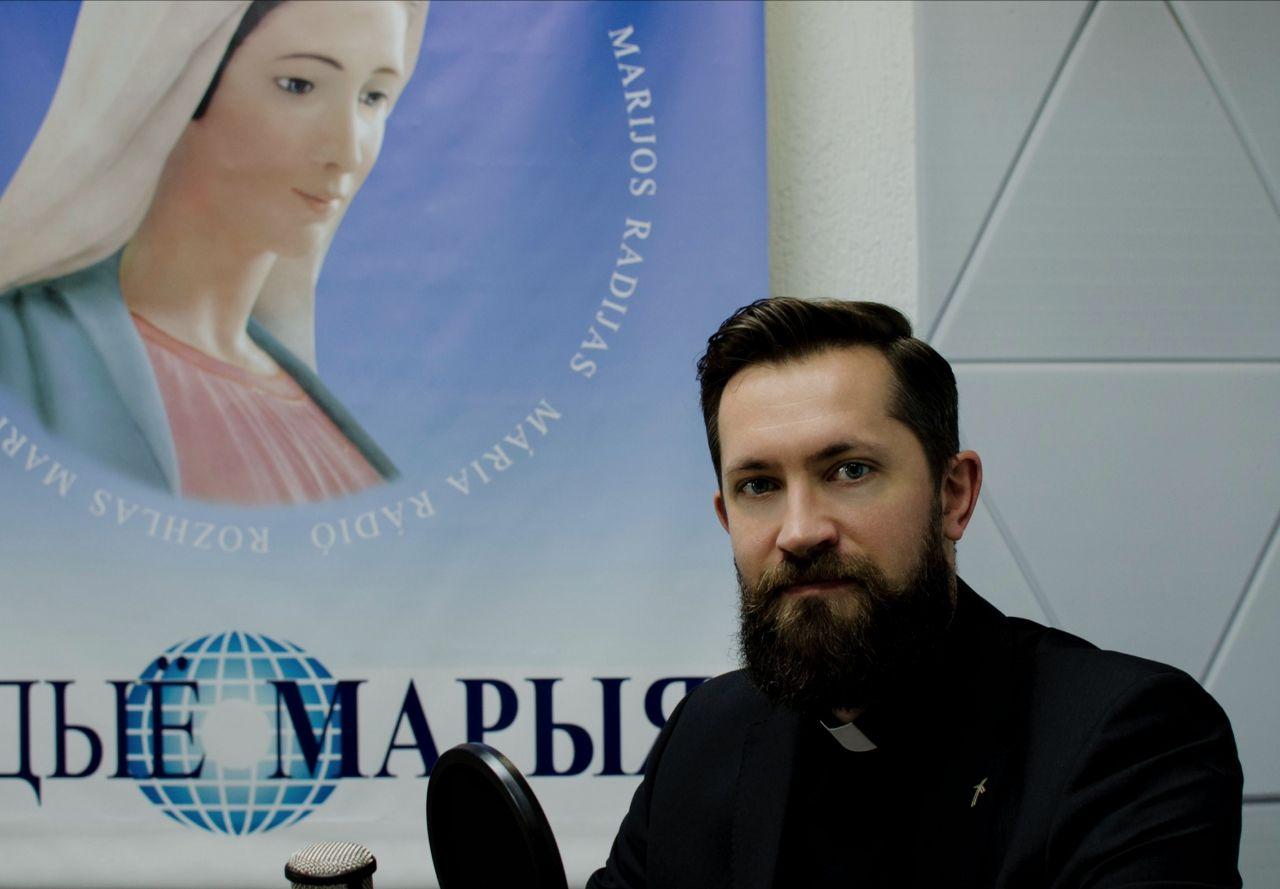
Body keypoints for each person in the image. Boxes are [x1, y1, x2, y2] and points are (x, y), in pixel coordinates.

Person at [588, 298, 1242, 888]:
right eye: (759, 485)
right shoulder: (707, 733)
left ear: (953, 495)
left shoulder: (1127, 742)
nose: (800, 531)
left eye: (849, 470)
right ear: (726, 520)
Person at [0, 0, 428, 504]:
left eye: (373, 97)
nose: (348, 152)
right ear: (178, 82)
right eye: (299, 85)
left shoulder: (328, 430)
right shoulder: (22, 356)